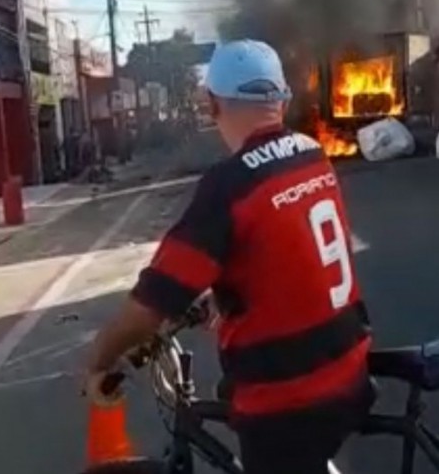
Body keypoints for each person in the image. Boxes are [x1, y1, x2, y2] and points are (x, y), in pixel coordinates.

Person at [83, 39, 374, 474]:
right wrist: (225, 295)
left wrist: (100, 362)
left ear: (212, 104)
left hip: (288, 400)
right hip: (349, 367)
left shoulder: (230, 185)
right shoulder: (313, 154)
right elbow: (285, 252)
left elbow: (151, 304)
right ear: (282, 98)